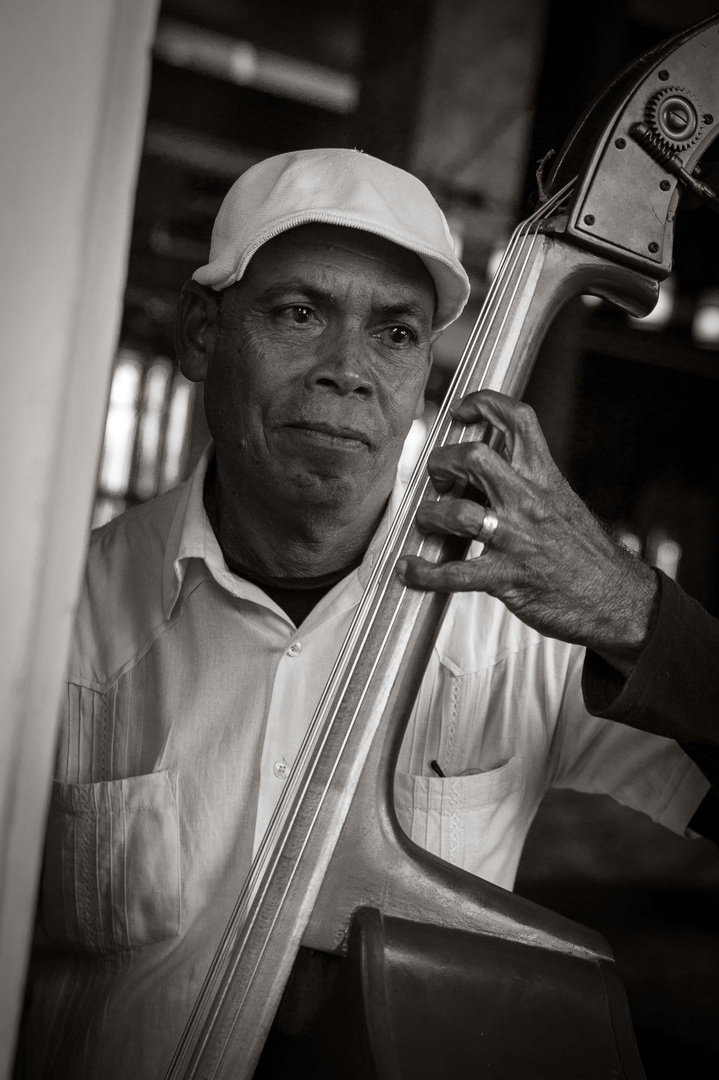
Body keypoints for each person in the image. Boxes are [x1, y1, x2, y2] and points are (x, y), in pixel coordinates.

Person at [19, 148, 718, 1079]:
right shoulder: (50, 612)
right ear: (199, 334)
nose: (347, 370)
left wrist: (628, 606)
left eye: (395, 334)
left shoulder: (513, 619)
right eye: (299, 313)